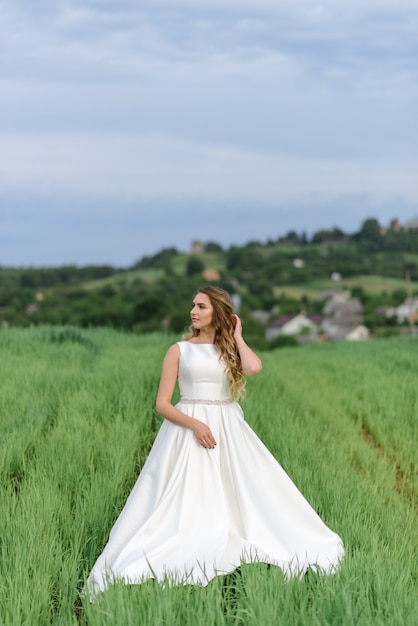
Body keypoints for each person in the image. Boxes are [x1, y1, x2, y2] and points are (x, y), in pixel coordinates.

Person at [86, 286, 343, 595]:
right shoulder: (179, 350)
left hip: (227, 426)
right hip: (188, 429)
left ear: (218, 313)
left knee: (242, 487)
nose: (193, 311)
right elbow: (162, 404)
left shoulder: (228, 348)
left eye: (202, 306)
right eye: (193, 305)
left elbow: (254, 368)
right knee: (187, 493)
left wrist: (238, 336)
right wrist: (195, 425)